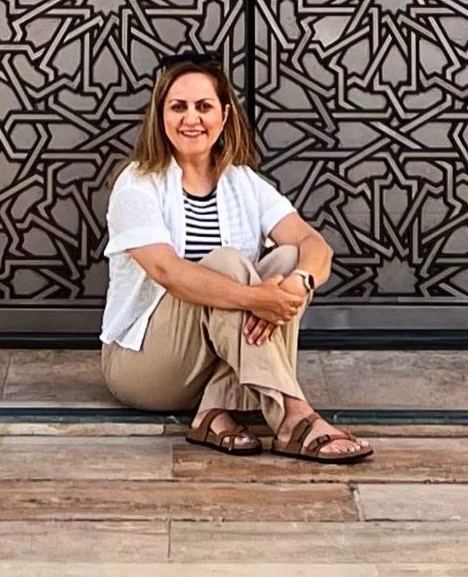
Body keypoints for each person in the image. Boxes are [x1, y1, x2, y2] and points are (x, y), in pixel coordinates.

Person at [98, 53, 373, 461]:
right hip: (145, 367)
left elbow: (315, 245)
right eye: (178, 107)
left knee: (287, 260)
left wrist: (298, 284)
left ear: (224, 115)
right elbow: (168, 272)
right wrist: (257, 299)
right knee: (227, 264)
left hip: (216, 360)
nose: (191, 118)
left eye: (203, 106)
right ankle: (293, 413)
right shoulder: (137, 183)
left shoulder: (243, 183)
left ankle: (213, 411)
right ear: (161, 116)